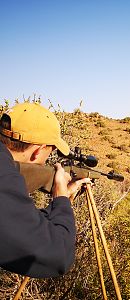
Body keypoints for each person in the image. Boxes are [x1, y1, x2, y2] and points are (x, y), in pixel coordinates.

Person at [0, 102, 90, 278]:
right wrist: (62, 199)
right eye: (51, 150)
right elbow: (58, 255)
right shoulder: (4, 177)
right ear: (38, 151)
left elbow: (17, 221)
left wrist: (58, 204)